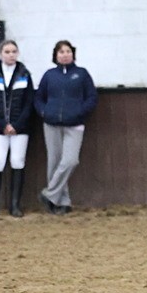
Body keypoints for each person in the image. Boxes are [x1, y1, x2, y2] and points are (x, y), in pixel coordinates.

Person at [35, 40, 97, 214]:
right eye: (61, 52)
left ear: (73, 54)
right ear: (56, 55)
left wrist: (80, 112)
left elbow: (91, 97)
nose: (65, 54)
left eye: (68, 51)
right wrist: (44, 112)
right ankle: (62, 202)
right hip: (51, 124)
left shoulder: (82, 74)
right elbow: (38, 97)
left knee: (70, 160)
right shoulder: (49, 75)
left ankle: (49, 194)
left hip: (75, 124)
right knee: (54, 162)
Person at [0, 40, 35, 217]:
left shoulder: (24, 74)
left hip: (20, 128)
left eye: (13, 51)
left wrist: (16, 125)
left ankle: (15, 205)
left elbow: (29, 102)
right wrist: (2, 124)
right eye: (7, 51)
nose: (11, 55)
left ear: (17, 53)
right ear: (0, 54)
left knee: (17, 162)